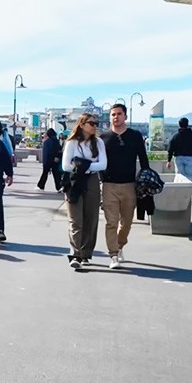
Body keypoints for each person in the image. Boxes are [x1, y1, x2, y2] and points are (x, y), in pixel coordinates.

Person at [99, 103, 149, 268]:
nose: (116, 117)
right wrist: (101, 179)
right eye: (113, 114)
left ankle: (120, 245)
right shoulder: (103, 138)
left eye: (119, 114)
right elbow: (97, 160)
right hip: (109, 185)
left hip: (129, 185)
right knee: (111, 222)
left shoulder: (135, 136)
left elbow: (143, 159)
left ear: (125, 116)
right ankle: (113, 255)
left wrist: (146, 178)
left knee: (126, 222)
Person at [62, 113, 108, 270]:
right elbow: (66, 166)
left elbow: (103, 164)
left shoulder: (99, 142)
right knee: (76, 220)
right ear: (81, 125)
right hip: (74, 182)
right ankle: (75, 253)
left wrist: (82, 165)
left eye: (96, 123)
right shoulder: (72, 143)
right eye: (91, 123)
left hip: (91, 181)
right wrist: (87, 166)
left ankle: (86, 253)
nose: (95, 126)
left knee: (91, 218)